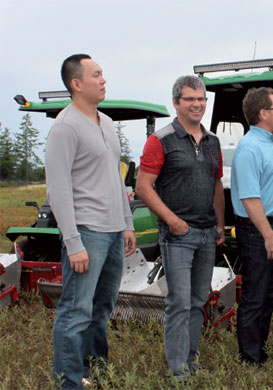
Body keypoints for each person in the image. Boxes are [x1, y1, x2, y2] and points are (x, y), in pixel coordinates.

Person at [46, 54, 136, 389]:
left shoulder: (107, 122)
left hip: (113, 232)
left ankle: (96, 372)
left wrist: (127, 223)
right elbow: (57, 189)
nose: (103, 80)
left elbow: (116, 177)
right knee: (75, 311)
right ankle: (69, 382)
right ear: (76, 84)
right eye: (96, 74)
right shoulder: (65, 127)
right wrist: (73, 242)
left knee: (102, 308)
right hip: (87, 232)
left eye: (103, 74)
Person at [136, 75, 225, 382]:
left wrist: (220, 224)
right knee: (180, 302)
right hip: (178, 236)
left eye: (201, 99)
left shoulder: (212, 142)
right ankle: (179, 372)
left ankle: (191, 360)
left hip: (207, 232)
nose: (197, 104)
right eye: (190, 99)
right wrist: (173, 222)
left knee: (198, 301)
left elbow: (216, 185)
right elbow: (143, 187)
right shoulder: (161, 140)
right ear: (176, 103)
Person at [231, 87, 273, 366]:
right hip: (259, 231)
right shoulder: (250, 147)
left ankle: (260, 352)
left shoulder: (271, 143)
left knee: (269, 295)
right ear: (263, 113)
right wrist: (269, 235)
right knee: (255, 296)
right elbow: (249, 197)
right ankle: (249, 360)